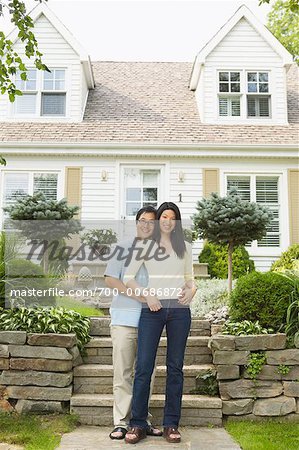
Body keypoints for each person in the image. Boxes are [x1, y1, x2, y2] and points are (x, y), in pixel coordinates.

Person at [124, 201, 196, 445]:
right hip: (152, 309)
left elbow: (190, 280)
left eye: (171, 216)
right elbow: (128, 278)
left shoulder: (184, 247)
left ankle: (171, 424)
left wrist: (192, 291)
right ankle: (137, 424)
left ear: (176, 221)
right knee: (144, 366)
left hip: (179, 311)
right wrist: (147, 294)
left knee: (175, 367)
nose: (167, 220)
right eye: (163, 216)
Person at [104, 206, 163, 440]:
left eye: (151, 222)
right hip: (124, 319)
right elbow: (110, 279)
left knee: (146, 372)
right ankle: (121, 422)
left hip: (152, 320)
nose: (146, 225)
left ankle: (141, 420)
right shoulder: (123, 248)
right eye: (142, 220)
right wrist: (137, 295)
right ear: (136, 222)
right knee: (124, 372)